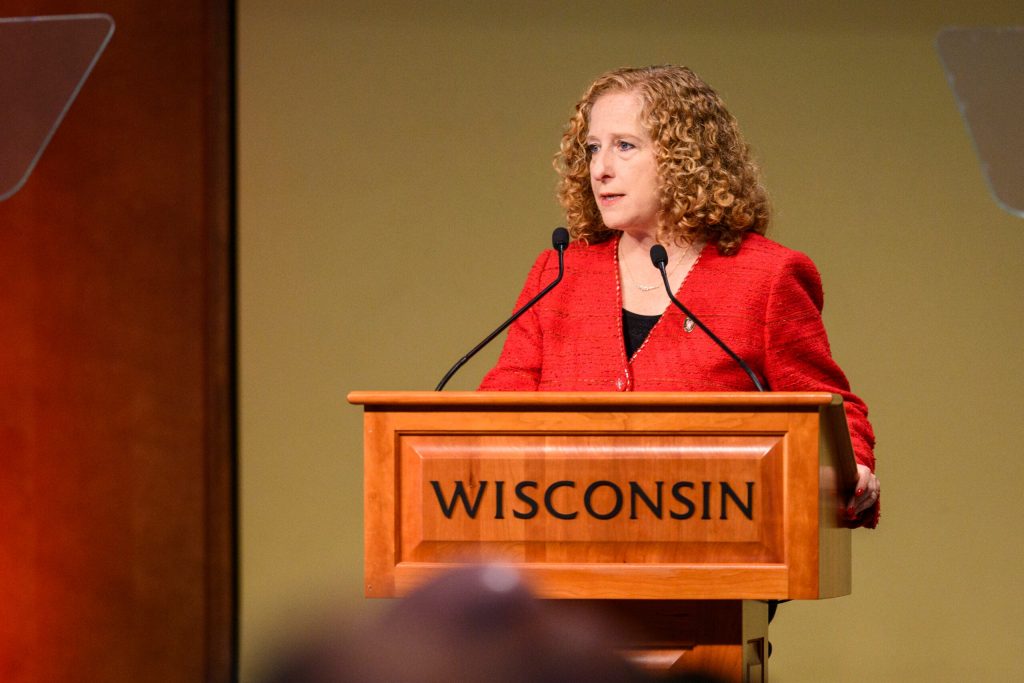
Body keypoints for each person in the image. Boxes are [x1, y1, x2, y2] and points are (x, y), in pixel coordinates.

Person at [479, 65, 879, 527]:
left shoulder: (765, 277)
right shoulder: (559, 273)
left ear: (684, 157)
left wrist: (854, 467)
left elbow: (827, 409)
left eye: (624, 146)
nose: (600, 169)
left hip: (718, 543)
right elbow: (499, 404)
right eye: (593, 148)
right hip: (561, 541)